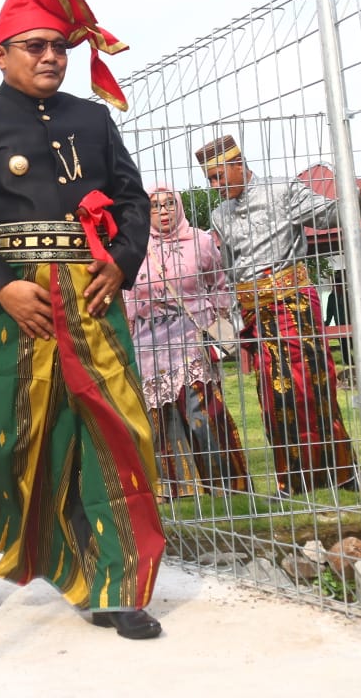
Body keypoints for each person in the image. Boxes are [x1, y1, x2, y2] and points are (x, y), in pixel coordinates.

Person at [0, 0, 163, 640]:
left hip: (93, 295)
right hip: (15, 300)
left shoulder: (92, 118)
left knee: (116, 432)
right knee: (10, 437)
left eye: (59, 46)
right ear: (1, 55)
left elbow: (132, 201)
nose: (51, 57)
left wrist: (121, 261)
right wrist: (0, 284)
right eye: (33, 46)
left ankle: (117, 586)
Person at [196, 133, 361, 495]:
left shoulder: (282, 190)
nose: (215, 186)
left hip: (294, 304)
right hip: (254, 313)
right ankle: (294, 478)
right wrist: (233, 320)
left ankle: (343, 472)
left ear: (239, 165)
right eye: (210, 180)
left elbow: (331, 214)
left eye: (219, 176)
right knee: (274, 395)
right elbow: (231, 270)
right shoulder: (219, 215)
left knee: (313, 386)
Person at [125, 185, 250, 498]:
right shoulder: (134, 245)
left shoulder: (201, 241)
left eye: (169, 204)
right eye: (155, 206)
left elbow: (218, 285)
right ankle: (170, 488)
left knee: (201, 410)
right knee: (156, 418)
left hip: (190, 336)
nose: (163, 211)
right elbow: (126, 294)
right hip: (146, 340)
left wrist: (216, 320)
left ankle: (225, 485)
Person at [324, 276, 353, 369]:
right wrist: (327, 323)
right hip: (339, 324)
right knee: (344, 344)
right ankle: (349, 362)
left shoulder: (348, 294)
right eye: (334, 286)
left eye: (338, 286)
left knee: (354, 343)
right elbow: (329, 311)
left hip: (351, 323)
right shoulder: (332, 297)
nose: (336, 288)